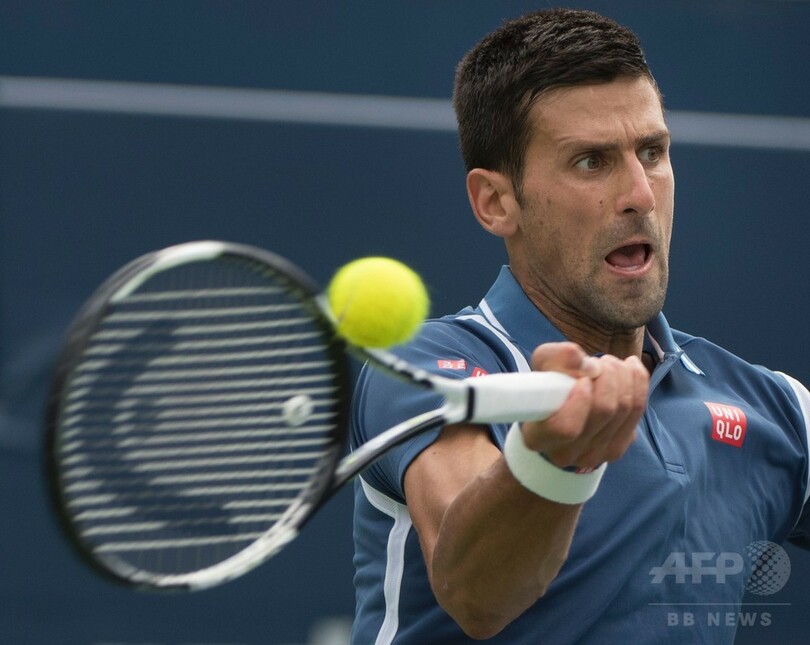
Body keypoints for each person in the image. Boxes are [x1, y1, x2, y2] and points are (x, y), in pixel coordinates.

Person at [349, 8, 810, 644]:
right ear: (496, 202)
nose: (640, 195)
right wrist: (554, 463)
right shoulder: (428, 368)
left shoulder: (775, 409)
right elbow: (476, 594)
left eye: (652, 153)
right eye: (592, 162)